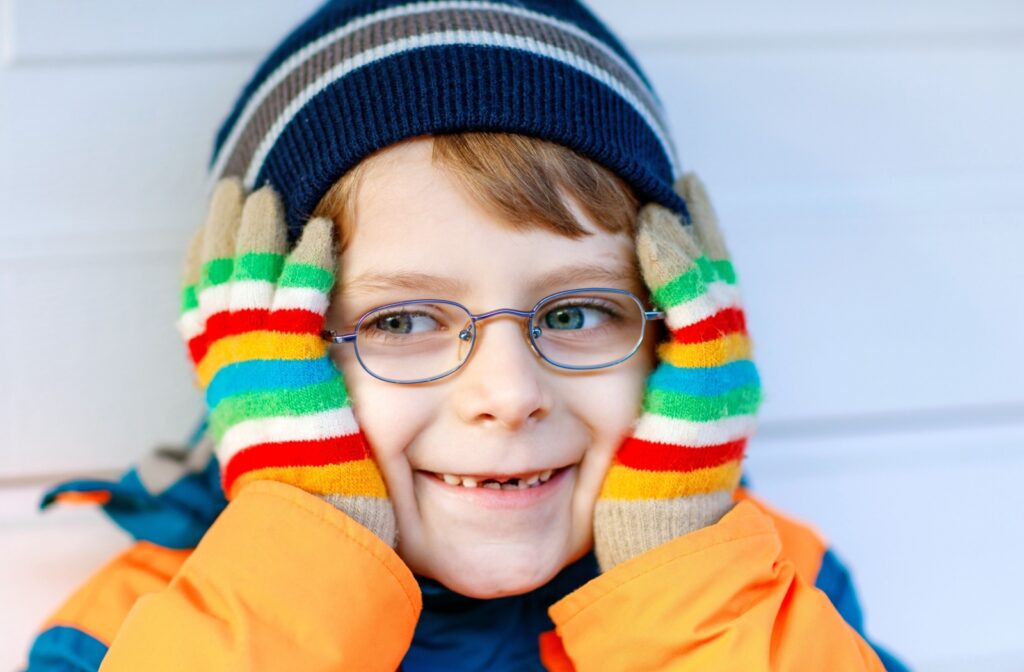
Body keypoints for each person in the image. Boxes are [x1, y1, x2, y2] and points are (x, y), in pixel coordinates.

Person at [24, 1, 908, 670]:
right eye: (400, 321)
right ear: (266, 352)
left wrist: (689, 588)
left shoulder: (767, 593)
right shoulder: (126, 631)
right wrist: (305, 551)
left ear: (679, 338)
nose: (510, 395)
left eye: (574, 313)